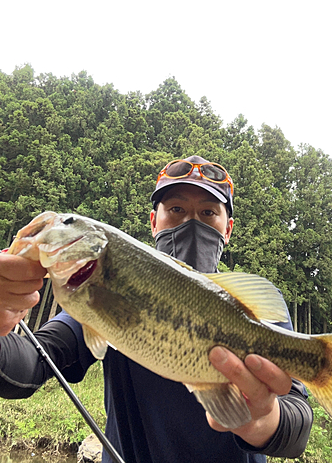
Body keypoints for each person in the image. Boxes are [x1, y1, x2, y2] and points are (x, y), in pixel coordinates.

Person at [0, 155, 313, 463]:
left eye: (207, 212)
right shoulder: (103, 288)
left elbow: (297, 423)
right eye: (176, 209)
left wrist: (265, 423)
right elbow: (31, 363)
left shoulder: (251, 307)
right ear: (154, 222)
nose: (191, 221)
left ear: (227, 229)